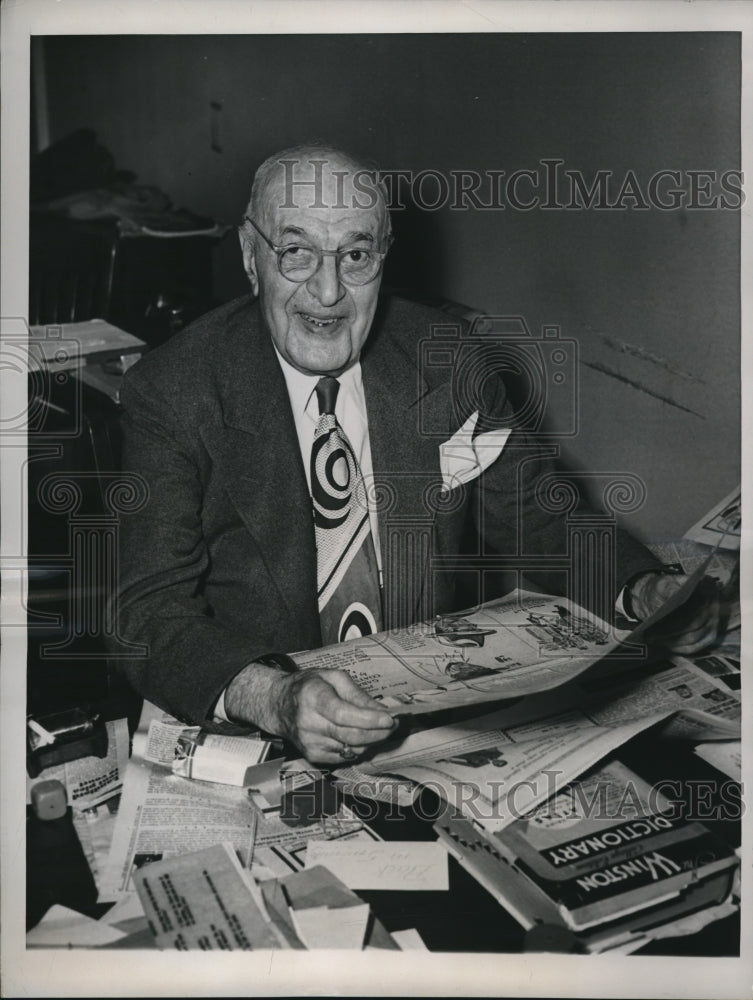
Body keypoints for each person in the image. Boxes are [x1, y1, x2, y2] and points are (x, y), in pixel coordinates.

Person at [115, 144, 720, 765]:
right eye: (296, 252)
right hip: (264, 730)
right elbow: (146, 611)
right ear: (250, 255)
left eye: (356, 255)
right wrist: (272, 696)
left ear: (384, 255)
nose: (328, 293)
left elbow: (538, 515)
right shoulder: (174, 391)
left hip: (431, 723)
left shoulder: (448, 358)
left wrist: (639, 588)